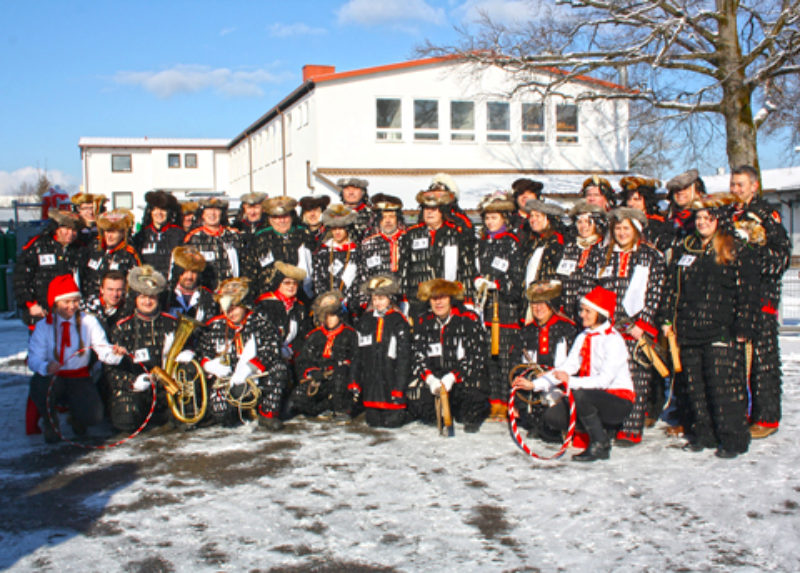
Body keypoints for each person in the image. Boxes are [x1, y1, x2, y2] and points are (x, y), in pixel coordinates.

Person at [662, 194, 758, 457]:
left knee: (723, 388)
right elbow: (672, 289)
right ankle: (703, 434)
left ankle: (732, 439)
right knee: (696, 387)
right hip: (689, 330)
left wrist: (744, 327)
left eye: (708, 218)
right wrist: (667, 319)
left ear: (721, 220)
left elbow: (748, 293)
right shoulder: (686, 248)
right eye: (699, 218)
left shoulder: (734, 248)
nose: (702, 222)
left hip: (721, 329)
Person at [513, 286, 634, 462]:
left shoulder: (613, 340)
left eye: (587, 311)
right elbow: (566, 368)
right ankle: (594, 430)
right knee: (552, 416)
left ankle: (600, 444)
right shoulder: (583, 336)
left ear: (599, 313)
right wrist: (534, 385)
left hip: (618, 400)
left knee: (580, 395)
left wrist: (572, 381)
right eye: (582, 310)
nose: (581, 315)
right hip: (590, 396)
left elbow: (604, 381)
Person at [726, 165, 791, 439]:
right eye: (733, 184)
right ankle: (741, 413)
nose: (735, 190)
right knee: (738, 359)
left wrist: (751, 256)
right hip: (735, 297)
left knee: (763, 358)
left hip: (762, 296)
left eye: (741, 184)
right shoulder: (730, 215)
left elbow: (781, 256)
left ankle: (766, 417)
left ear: (754, 186)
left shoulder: (766, 214)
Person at [596, 208, 667, 445]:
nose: (621, 233)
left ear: (636, 229)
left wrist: (641, 324)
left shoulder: (651, 256)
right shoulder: (604, 255)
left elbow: (655, 293)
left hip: (636, 328)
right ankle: (609, 424)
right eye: (617, 228)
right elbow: (596, 289)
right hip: (608, 325)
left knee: (636, 378)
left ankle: (631, 427)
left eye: (626, 228)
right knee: (609, 375)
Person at [27, 275, 123, 443]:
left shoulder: (89, 321)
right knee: (39, 384)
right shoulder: (44, 326)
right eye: (67, 302)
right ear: (56, 303)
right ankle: (51, 422)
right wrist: (45, 366)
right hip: (54, 377)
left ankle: (77, 417)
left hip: (79, 377)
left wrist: (115, 354)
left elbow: (102, 348)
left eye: (75, 301)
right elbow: (34, 358)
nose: (72, 306)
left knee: (94, 416)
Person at [199, 278, 288, 429]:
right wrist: (209, 365)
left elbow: (271, 348)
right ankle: (235, 413)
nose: (230, 313)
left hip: (256, 375)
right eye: (227, 309)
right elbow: (203, 351)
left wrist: (249, 368)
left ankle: (267, 414)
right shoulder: (215, 325)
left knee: (279, 369)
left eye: (234, 308)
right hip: (227, 379)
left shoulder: (260, 321)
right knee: (221, 414)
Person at [408, 279, 490, 433]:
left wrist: (453, 377)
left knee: (475, 390)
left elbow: (475, 357)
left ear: (451, 299)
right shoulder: (423, 321)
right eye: (434, 298)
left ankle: (469, 414)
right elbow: (417, 356)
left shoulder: (468, 319)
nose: (438, 303)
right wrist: (430, 379)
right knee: (418, 399)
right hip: (436, 380)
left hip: (460, 379)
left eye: (443, 298)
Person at [106, 266, 179, 433]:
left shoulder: (172, 323)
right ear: (135, 299)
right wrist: (132, 383)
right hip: (137, 389)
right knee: (126, 417)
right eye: (143, 297)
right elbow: (110, 371)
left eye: (152, 297)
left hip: (167, 386)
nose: (147, 302)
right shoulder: (122, 328)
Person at [474, 191, 523, 420]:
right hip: (484, 308)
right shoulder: (482, 243)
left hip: (504, 310)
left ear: (504, 218)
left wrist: (497, 284)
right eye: (487, 218)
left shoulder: (512, 243)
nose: (489, 222)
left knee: (504, 358)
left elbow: (517, 278)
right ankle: (493, 402)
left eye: (494, 218)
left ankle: (506, 401)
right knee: (489, 358)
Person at [514, 280, 578, 440]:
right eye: (534, 303)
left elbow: (573, 365)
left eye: (543, 303)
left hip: (558, 386)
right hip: (533, 388)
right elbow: (517, 364)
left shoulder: (567, 329)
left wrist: (549, 376)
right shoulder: (526, 331)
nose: (538, 308)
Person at [400, 189, 475, 318]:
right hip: (418, 300)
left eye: (434, 209)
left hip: (448, 300)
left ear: (442, 211)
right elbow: (404, 268)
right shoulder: (411, 235)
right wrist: (404, 298)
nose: (429, 212)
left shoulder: (456, 235)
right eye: (426, 209)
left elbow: (466, 267)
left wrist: (468, 299)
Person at [292, 290, 360, 421]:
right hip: (319, 378)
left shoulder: (350, 334)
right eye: (326, 315)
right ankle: (325, 406)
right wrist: (312, 371)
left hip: (340, 377)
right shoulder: (314, 335)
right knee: (298, 397)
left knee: (340, 378)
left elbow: (356, 358)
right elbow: (303, 359)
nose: (330, 319)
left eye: (333, 315)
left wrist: (343, 368)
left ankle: (341, 409)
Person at [354, 275, 412, 428]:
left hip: (391, 381)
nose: (378, 303)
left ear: (390, 299)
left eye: (381, 298)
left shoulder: (399, 322)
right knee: (373, 421)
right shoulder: (366, 321)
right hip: (372, 386)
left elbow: (404, 358)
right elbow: (358, 354)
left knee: (392, 422)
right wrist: (355, 381)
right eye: (374, 299)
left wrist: (399, 388)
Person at [13, 209, 84, 330]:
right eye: (66, 229)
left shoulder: (79, 249)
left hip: (71, 313)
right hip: (42, 312)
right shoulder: (38, 246)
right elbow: (21, 278)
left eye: (74, 230)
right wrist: (30, 304)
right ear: (56, 228)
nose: (70, 233)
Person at [255, 261, 310, 383]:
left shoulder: (299, 307)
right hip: (268, 356)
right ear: (278, 284)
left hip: (292, 355)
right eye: (287, 283)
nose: (291, 286)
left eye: (294, 283)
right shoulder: (265, 303)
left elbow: (302, 334)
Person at [254, 196, 315, 299]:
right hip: (270, 296)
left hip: (301, 295)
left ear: (291, 216)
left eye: (285, 216)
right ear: (269, 219)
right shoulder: (260, 238)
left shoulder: (303, 234)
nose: (281, 221)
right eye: (276, 217)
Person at [558, 201, 607, 322]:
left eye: (588, 222)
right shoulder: (570, 247)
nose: (584, 226)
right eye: (580, 222)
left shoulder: (603, 249)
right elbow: (561, 276)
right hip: (567, 311)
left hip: (591, 313)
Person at [357, 194, 406, 308]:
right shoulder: (368, 244)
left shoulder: (407, 239)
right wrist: (364, 300)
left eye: (391, 216)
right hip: (377, 299)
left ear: (397, 219)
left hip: (404, 298)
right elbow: (363, 274)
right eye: (384, 217)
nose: (388, 221)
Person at [184, 197, 242, 290]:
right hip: (205, 292)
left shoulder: (234, 236)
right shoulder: (193, 238)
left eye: (216, 209)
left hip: (231, 291)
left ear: (221, 213)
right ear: (202, 214)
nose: (212, 213)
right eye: (208, 209)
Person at [81, 209, 141, 299]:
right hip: (90, 302)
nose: (109, 236)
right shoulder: (93, 248)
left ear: (123, 233)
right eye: (107, 231)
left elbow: (135, 285)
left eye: (114, 232)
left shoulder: (129, 254)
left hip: (117, 303)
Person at [311, 204, 361, 309]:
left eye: (341, 228)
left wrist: (350, 299)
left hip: (351, 304)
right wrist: (326, 299)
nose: (337, 232)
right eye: (334, 228)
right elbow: (318, 278)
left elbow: (359, 279)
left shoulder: (356, 251)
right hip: (327, 304)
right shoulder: (323, 251)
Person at [132, 190, 185, 277]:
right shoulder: (141, 236)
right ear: (150, 212)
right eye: (155, 209)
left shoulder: (180, 235)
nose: (159, 213)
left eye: (163, 209)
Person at [520, 198, 566, 295]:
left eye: (538, 216)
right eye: (531, 216)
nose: (533, 220)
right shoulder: (533, 242)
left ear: (548, 219)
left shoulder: (558, 242)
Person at [165, 245, 218, 324]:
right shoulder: (167, 296)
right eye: (185, 271)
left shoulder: (208, 298)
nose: (189, 277)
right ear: (177, 271)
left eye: (194, 272)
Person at [619, 176, 671, 252]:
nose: (631, 203)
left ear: (646, 201)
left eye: (636, 199)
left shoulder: (658, 223)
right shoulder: (619, 222)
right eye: (628, 199)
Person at [82, 270, 130, 335]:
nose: (115, 294)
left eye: (119, 290)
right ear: (101, 289)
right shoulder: (86, 307)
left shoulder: (129, 310)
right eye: (110, 289)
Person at [336, 177, 373, 242]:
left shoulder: (372, 214)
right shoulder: (334, 214)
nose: (351, 192)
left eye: (355, 189)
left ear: (363, 192)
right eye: (347, 189)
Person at [509, 178, 543, 242]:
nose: (525, 196)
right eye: (521, 193)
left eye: (529, 193)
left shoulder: (547, 221)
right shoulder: (506, 220)